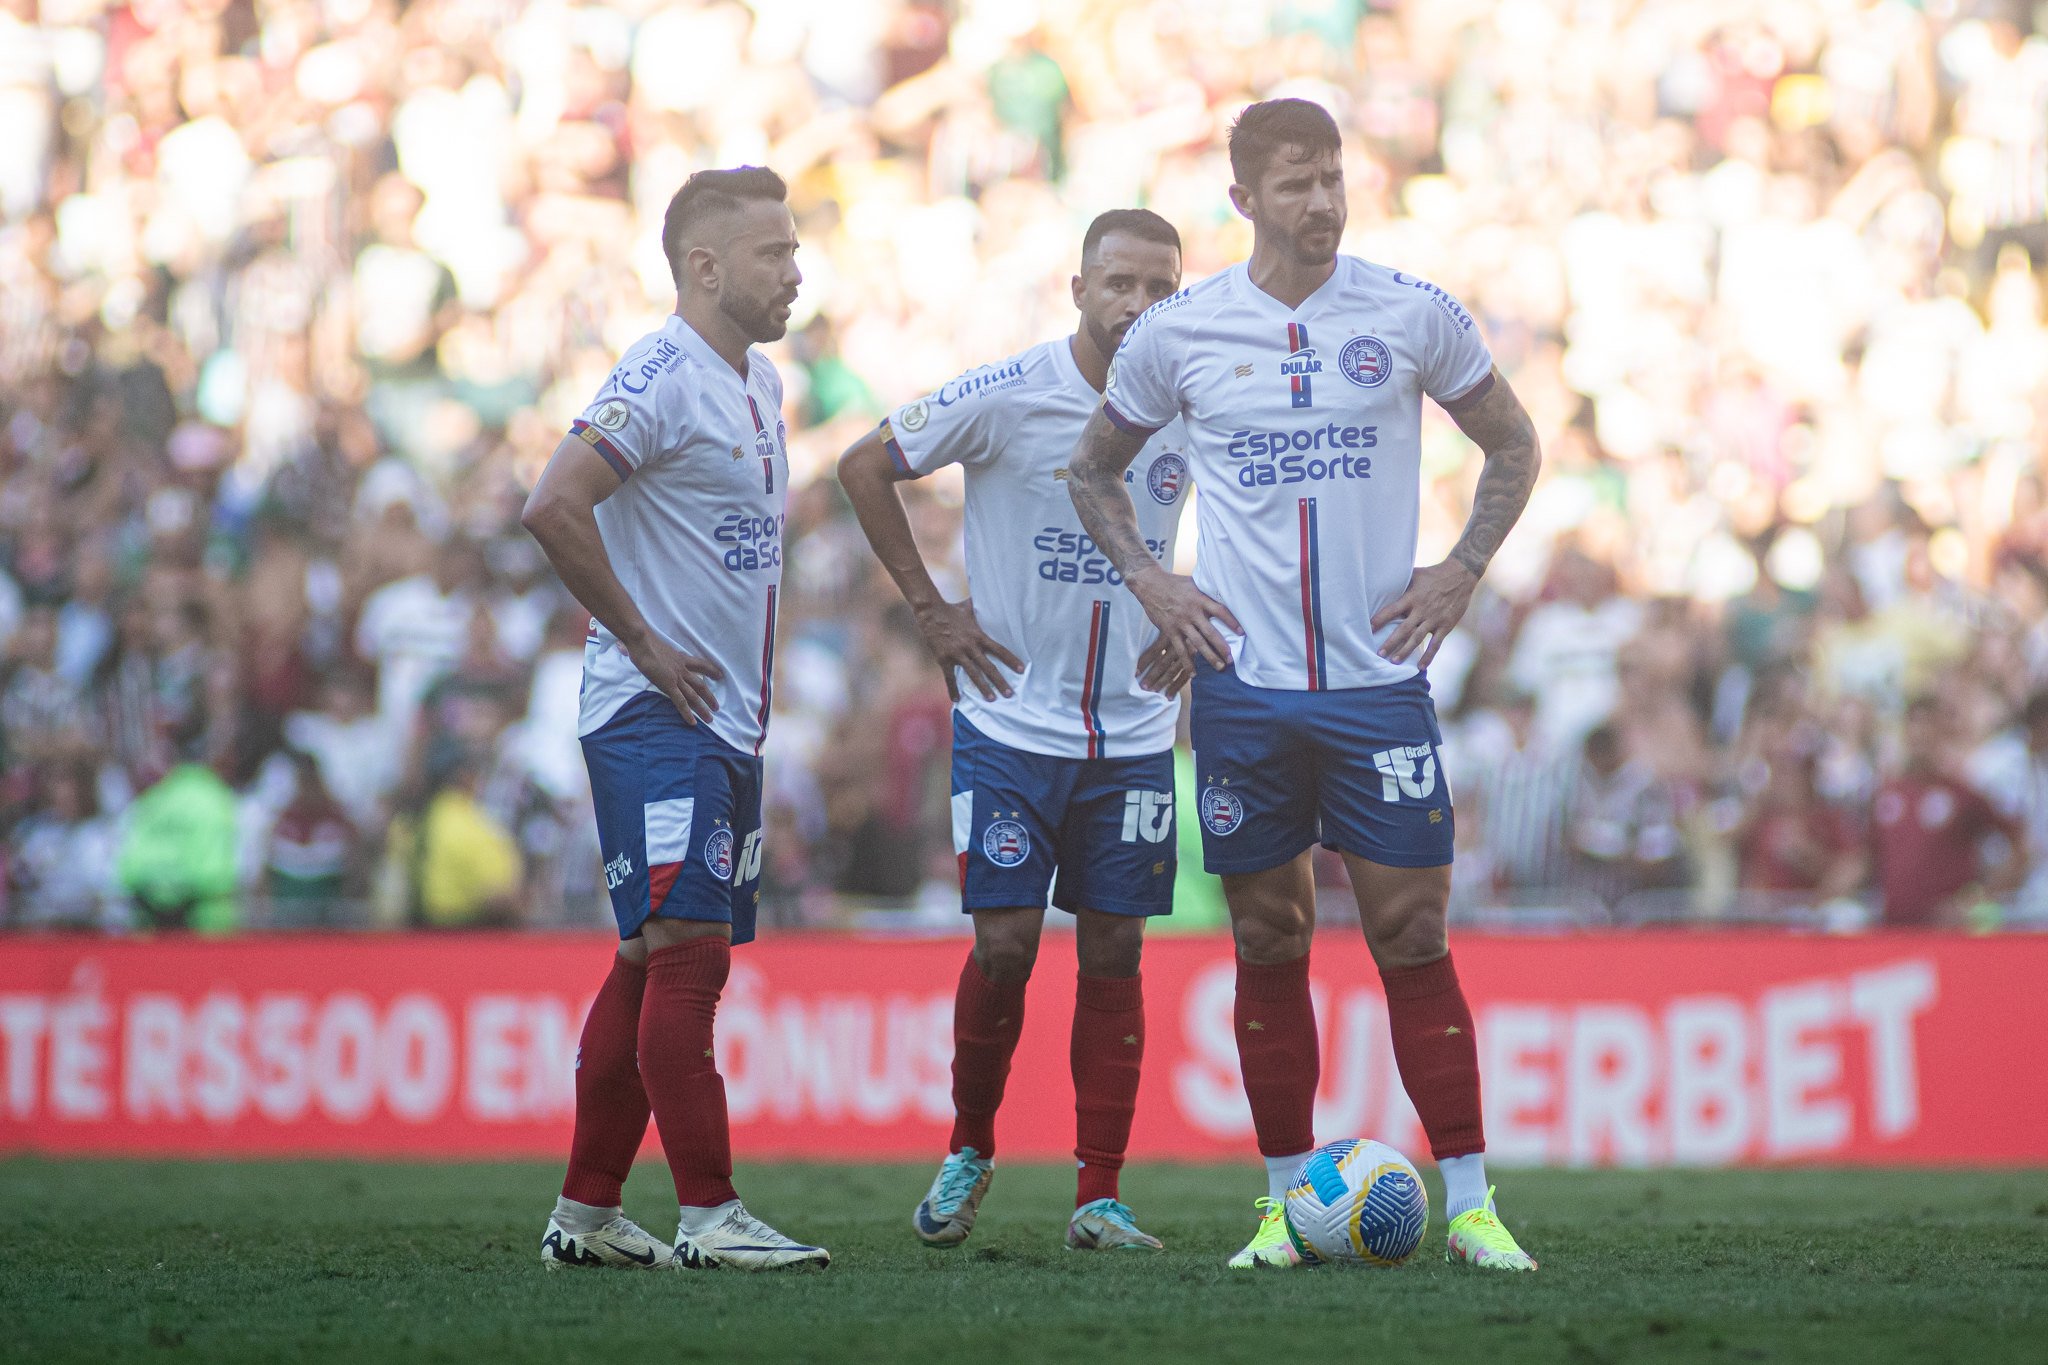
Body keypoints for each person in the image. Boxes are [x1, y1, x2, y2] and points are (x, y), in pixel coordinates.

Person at [1063, 99, 1542, 1271]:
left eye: (1331, 177)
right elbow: (1091, 473)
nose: (1321, 202)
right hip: (1244, 688)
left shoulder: (1410, 312)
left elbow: (1514, 444)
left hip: (1377, 684)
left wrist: (1463, 568)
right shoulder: (1178, 333)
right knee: (1268, 938)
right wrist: (1152, 583)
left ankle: (1473, 1208)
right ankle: (1283, 1207)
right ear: (1242, 200)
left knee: (1410, 932)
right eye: (1294, 183)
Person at [837, 209, 1190, 1252]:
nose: (1136, 306)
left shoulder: (1191, 404)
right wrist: (929, 609)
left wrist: (1195, 604)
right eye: (1118, 283)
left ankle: (1099, 1194)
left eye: (1158, 289)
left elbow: (1254, 516)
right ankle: (970, 1146)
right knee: (1003, 946)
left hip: (1129, 729)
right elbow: (864, 463)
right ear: (1076, 288)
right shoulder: (1007, 393)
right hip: (1008, 720)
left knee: (1116, 954)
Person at [520, 166, 827, 1272]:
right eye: (772, 254)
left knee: (648, 958)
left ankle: (587, 1218)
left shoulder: (755, 384)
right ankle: (709, 1214)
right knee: (686, 954)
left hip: (719, 723)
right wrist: (646, 645)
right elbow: (551, 504)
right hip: (658, 716)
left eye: (794, 250)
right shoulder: (658, 375)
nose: (795, 272)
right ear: (703, 268)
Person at [1870, 695, 2023, 927]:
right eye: (1914, 724)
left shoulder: (1962, 794)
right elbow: (1864, 857)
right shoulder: (1887, 794)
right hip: (1895, 930)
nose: (1920, 734)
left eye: (1928, 725)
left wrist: (1975, 900)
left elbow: (2020, 849)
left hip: (1948, 935)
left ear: (1942, 732)